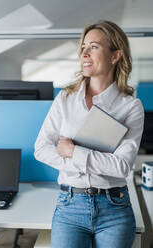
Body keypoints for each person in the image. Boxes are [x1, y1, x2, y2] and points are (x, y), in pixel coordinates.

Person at [34, 20, 144, 248]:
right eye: (83, 47)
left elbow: (122, 167)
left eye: (93, 47)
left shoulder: (130, 107)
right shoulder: (65, 99)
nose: (84, 53)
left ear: (115, 56)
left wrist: (72, 152)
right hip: (70, 205)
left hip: (114, 207)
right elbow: (41, 149)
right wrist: (91, 162)